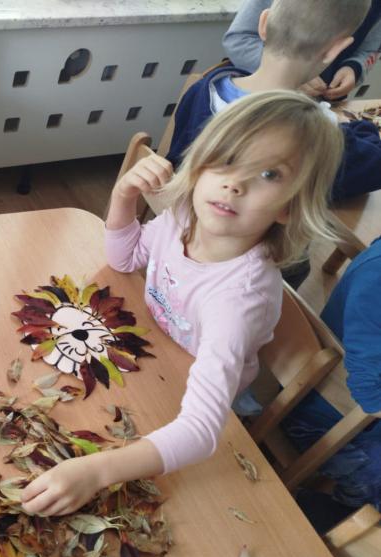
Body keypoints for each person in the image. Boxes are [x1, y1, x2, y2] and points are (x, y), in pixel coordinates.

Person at [22, 91, 343, 516]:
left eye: (269, 174)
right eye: (227, 159)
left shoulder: (237, 302)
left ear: (290, 207)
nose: (235, 183)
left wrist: (97, 472)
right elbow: (124, 260)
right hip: (151, 351)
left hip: (192, 392)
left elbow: (201, 431)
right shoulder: (182, 218)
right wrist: (123, 196)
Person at [167, 0, 381, 288]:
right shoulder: (319, 135)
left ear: (264, 24)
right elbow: (372, 165)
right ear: (335, 50)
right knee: (297, 263)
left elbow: (177, 158)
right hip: (252, 264)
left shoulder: (203, 88)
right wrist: (362, 128)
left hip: (184, 227)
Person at [281, 237, 381, 533]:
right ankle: (332, 512)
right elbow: (367, 390)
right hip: (324, 418)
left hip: (355, 415)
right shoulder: (377, 278)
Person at [223, 0, 381, 100]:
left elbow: (370, 49)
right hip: (258, 96)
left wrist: (354, 67)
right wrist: (291, 72)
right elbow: (238, 39)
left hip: (321, 106)